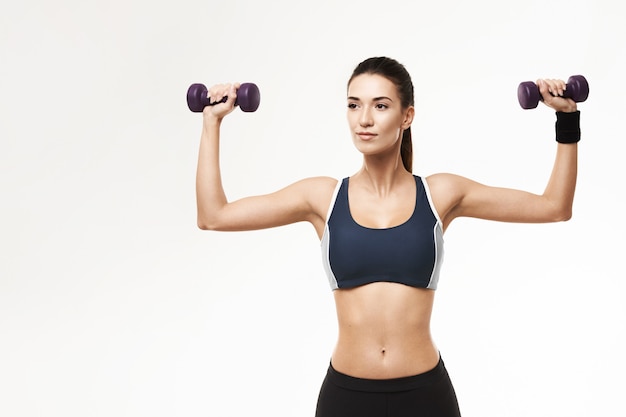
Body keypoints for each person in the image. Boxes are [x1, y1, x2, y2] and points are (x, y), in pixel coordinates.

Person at [195, 57, 580, 417]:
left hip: (426, 396)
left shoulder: (440, 194)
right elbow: (214, 216)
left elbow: (553, 207)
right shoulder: (322, 198)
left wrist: (568, 120)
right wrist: (211, 123)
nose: (364, 118)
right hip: (346, 397)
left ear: (406, 116)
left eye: (380, 106)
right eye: (353, 105)